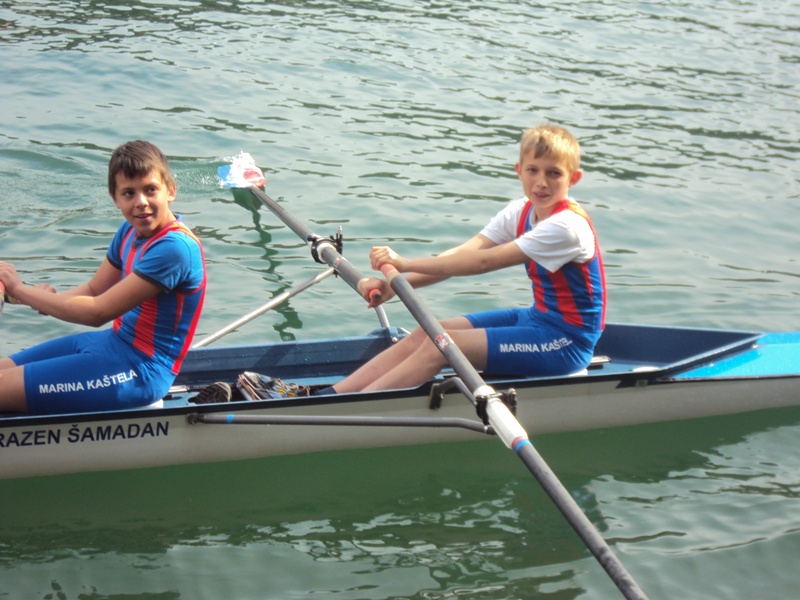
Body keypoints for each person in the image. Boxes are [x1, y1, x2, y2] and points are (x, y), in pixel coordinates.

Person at [324, 124, 606, 395]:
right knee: (428, 333)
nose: (541, 182)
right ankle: (330, 395)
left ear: (573, 178)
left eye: (554, 173)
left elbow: (483, 263)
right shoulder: (521, 210)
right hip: (535, 318)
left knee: (441, 345)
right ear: (519, 171)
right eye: (533, 170)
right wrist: (392, 287)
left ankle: (348, 410)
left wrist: (405, 263)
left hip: (567, 342)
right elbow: (461, 255)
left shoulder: (567, 227)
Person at [0, 140, 206, 415]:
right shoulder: (129, 231)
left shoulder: (174, 249)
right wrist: (34, 297)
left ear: (170, 190)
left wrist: (20, 290)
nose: (141, 202)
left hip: (142, 369)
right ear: (115, 199)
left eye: (150, 189)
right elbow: (93, 289)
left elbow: (97, 312)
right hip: (111, 344)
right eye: (129, 193)